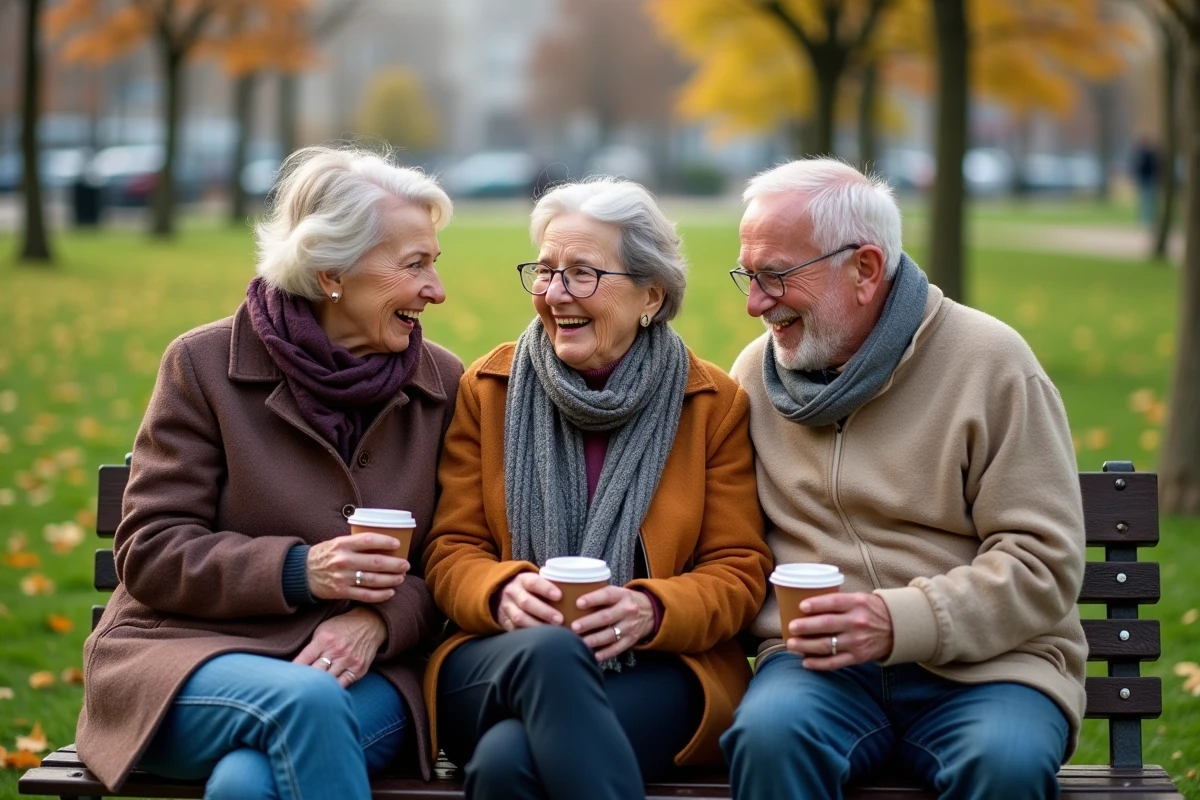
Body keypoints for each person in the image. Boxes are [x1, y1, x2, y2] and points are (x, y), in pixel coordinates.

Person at [76, 145, 464, 799]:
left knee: (245, 786)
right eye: (414, 265)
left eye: (434, 263)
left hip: (363, 671)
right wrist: (300, 571)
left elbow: (456, 558)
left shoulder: (444, 384)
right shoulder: (202, 366)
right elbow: (149, 549)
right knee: (301, 706)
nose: (437, 289)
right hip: (183, 661)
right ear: (330, 271)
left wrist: (378, 620)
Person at [719, 158, 1087, 800]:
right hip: (820, 666)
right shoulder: (754, 376)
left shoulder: (992, 364)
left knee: (1003, 762)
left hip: (989, 667)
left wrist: (899, 620)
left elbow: (1043, 562)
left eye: (775, 276)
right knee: (769, 737)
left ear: (864, 269)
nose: (755, 304)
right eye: (748, 276)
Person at [422, 177, 772, 800]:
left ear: (651, 295)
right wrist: (500, 592)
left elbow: (738, 570)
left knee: (508, 763)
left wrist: (652, 608)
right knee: (551, 654)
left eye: (582, 273)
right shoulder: (490, 389)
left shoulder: (711, 403)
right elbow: (451, 551)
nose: (554, 294)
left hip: (658, 669)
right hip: (497, 658)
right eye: (546, 271)